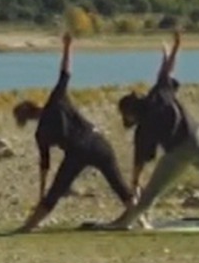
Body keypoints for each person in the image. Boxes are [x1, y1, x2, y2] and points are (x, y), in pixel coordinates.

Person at [104, 29, 199, 232]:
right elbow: (166, 71)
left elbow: (139, 162)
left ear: (131, 113)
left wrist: (135, 183)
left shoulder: (144, 127)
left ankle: (125, 223)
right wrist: (174, 48)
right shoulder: (158, 93)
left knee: (151, 194)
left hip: (179, 151)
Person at [12, 31, 135, 233]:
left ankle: (28, 226)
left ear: (28, 119)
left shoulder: (40, 133)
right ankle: (141, 219)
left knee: (56, 191)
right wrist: (68, 46)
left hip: (77, 152)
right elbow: (65, 73)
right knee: (118, 184)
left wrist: (42, 194)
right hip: (97, 142)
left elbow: (44, 165)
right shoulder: (56, 99)